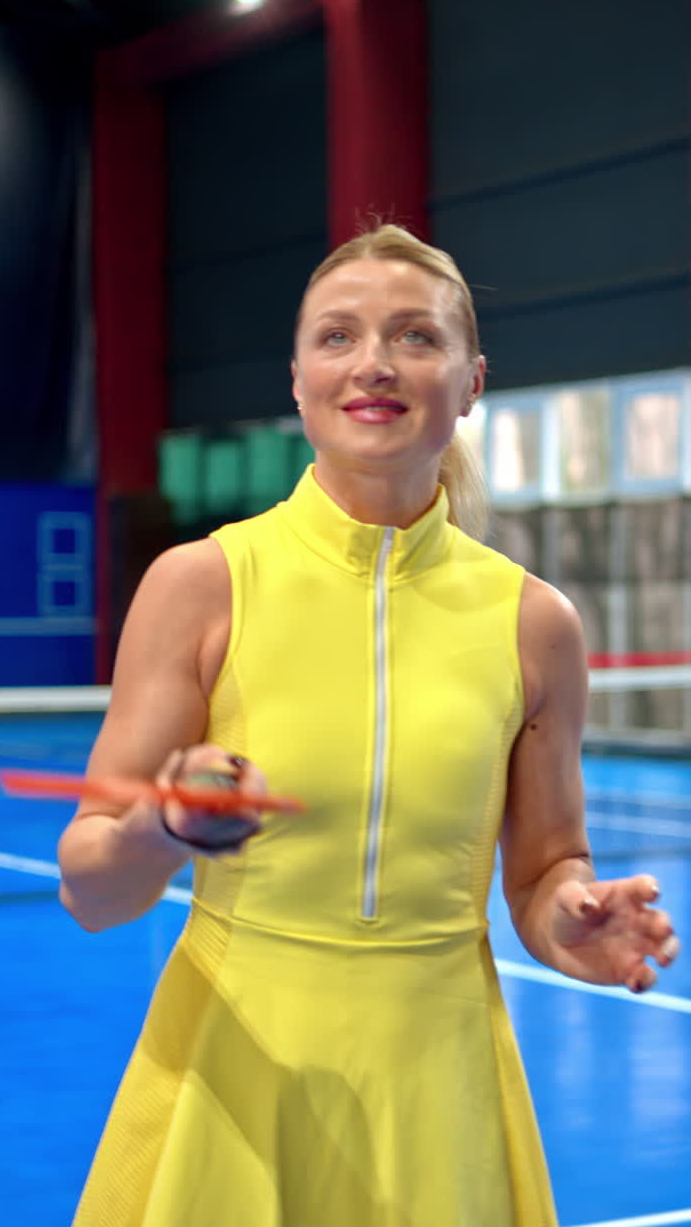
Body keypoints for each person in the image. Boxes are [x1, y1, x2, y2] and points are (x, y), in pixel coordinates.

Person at [59, 224, 680, 1227]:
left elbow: (542, 870)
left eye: (415, 336)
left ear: (472, 382)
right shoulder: (201, 586)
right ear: (299, 381)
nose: (375, 363)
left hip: (441, 1084)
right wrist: (158, 825)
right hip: (233, 1081)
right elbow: (90, 885)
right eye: (338, 336)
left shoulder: (536, 624)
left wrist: (568, 916)